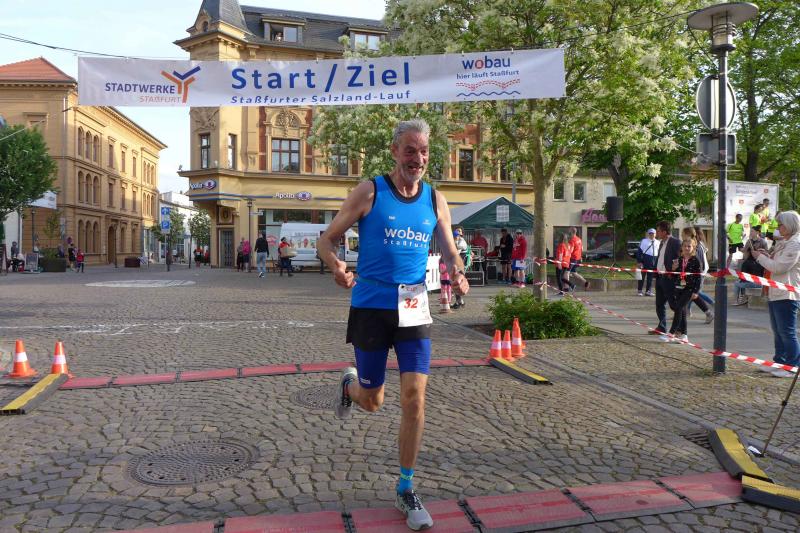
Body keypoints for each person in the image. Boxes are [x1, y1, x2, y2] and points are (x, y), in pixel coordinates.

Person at [318, 119, 469, 531]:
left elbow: (450, 250)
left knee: (415, 398)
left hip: (413, 305)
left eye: (424, 151)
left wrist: (457, 271)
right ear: (394, 151)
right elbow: (326, 239)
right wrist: (335, 265)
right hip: (371, 305)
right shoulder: (370, 191)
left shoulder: (435, 199)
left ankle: (406, 486)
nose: (418, 159)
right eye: (410, 150)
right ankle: (350, 387)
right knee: (373, 401)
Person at [752, 211, 800, 377]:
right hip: (776, 292)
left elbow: (780, 267)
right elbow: (776, 263)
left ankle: (792, 366)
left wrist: (760, 258)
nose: (778, 227)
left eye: (781, 224)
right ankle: (780, 361)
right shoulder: (785, 242)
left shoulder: (795, 244)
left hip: (787, 293)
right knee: (778, 331)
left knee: (787, 332)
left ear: (790, 225)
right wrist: (767, 256)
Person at [661, 238, 702, 343]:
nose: (687, 248)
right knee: (682, 311)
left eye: (689, 246)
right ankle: (684, 335)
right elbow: (674, 276)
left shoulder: (696, 260)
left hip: (689, 288)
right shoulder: (679, 259)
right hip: (679, 288)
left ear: (693, 248)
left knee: (678, 308)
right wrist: (673, 269)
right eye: (685, 246)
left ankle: (672, 333)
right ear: (682, 247)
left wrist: (696, 291)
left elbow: (698, 277)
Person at [653, 220, 682, 335]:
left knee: (673, 304)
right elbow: (660, 258)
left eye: (658, 231)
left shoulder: (675, 242)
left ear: (665, 232)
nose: (657, 233)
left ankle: (680, 328)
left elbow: (681, 258)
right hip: (660, 277)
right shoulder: (661, 243)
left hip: (669, 278)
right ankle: (662, 326)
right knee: (659, 304)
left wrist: (674, 271)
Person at [733, 225, 769, 305]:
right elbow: (744, 251)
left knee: (748, 280)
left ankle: (743, 298)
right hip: (748, 263)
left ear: (757, 232)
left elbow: (767, 253)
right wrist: (739, 246)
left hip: (758, 264)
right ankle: (743, 297)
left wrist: (761, 252)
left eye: (752, 231)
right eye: (750, 231)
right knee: (743, 278)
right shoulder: (749, 241)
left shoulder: (763, 241)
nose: (751, 233)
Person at [636, 228, 659, 296]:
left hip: (654, 260)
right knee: (642, 276)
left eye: (653, 233)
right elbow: (639, 252)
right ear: (648, 234)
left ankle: (648, 291)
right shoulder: (644, 241)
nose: (652, 235)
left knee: (650, 277)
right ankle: (639, 291)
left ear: (655, 234)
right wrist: (639, 261)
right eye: (650, 233)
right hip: (645, 260)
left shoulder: (658, 242)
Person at [452, 228, 469, 308]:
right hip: (457, 265)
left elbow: (457, 251)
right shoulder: (456, 241)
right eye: (455, 234)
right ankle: (459, 301)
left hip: (461, 266)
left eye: (459, 232)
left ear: (461, 234)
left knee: (458, 282)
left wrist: (454, 243)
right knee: (455, 282)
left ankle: (459, 301)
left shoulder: (462, 242)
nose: (456, 236)